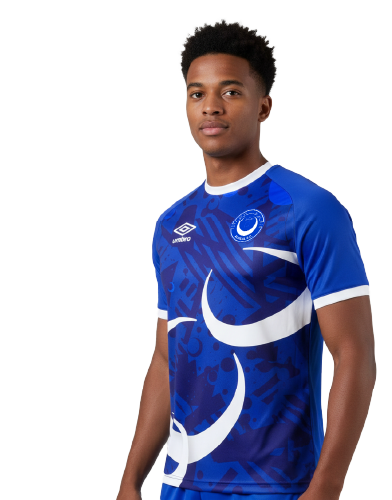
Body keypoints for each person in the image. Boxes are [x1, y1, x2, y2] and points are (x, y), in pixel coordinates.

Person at [116, 18, 377, 500]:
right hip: (182, 483)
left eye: (231, 91)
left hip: (278, 485)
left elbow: (354, 353)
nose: (211, 106)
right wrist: (130, 480)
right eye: (197, 93)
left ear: (263, 106)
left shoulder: (308, 208)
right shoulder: (171, 225)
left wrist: (326, 486)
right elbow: (165, 358)